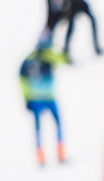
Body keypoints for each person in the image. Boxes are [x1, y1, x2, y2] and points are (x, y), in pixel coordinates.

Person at [20, 31, 69, 166]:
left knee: (39, 128)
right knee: (53, 125)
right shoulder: (47, 56)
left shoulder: (29, 58)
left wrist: (26, 97)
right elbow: (64, 59)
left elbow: (22, 79)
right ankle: (55, 154)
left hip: (37, 98)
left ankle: (44, 155)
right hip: (46, 97)